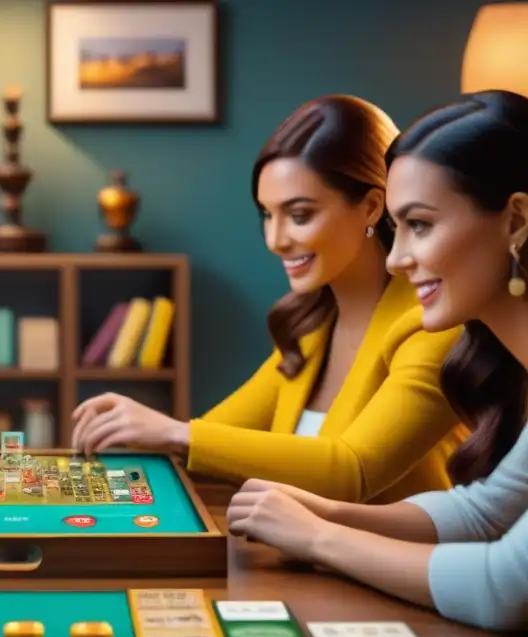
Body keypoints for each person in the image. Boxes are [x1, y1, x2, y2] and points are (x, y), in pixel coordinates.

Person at [226, 90, 528, 633]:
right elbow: (485, 513)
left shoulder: (420, 330)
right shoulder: (314, 328)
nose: (396, 257)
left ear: (516, 220)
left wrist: (321, 536)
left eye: (421, 225)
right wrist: (327, 513)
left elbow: (504, 587)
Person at [72, 95, 467, 504]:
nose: (276, 240)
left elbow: (353, 470)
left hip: (402, 566)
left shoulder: (435, 324)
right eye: (267, 214)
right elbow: (216, 439)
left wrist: (173, 432)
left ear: (371, 206)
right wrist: (141, 429)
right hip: (302, 561)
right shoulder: (311, 329)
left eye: (299, 215)